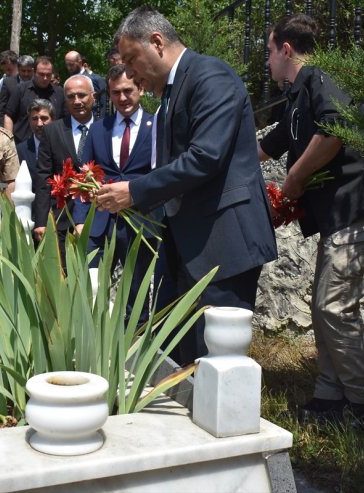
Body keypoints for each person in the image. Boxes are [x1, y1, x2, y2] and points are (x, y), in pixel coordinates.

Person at [95, 6, 278, 366]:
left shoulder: (211, 77)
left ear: (157, 42)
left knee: (217, 357)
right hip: (188, 245)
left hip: (222, 244)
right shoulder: (172, 92)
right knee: (184, 356)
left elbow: (205, 157)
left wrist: (134, 191)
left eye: (132, 60)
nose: (129, 72)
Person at [259, 14, 364, 430]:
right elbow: (263, 150)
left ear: (287, 50)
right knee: (325, 308)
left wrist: (292, 182)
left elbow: (335, 129)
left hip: (361, 209)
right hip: (340, 217)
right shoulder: (295, 100)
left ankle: (363, 407)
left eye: (269, 52)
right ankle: (328, 397)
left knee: (334, 307)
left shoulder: (322, 79)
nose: (267, 62)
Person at [73, 64, 155, 324]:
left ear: (141, 89)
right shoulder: (99, 129)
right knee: (92, 293)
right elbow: (84, 175)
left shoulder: (157, 126)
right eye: (116, 92)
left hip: (140, 222)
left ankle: (134, 354)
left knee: (136, 296)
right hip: (99, 224)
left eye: (128, 91)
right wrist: (79, 220)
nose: (122, 98)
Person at [33, 75, 96, 264]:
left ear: (93, 96)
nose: (77, 101)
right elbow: (43, 176)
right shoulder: (52, 131)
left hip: (98, 216)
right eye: (70, 96)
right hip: (61, 217)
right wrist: (42, 221)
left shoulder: (105, 128)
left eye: (82, 95)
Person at [2, 56, 66, 144]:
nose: (45, 78)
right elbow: (8, 116)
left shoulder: (60, 93)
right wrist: (9, 142)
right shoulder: (20, 90)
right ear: (34, 72)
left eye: (48, 75)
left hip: (53, 145)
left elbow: (65, 120)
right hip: (23, 145)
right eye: (41, 74)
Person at [17, 98, 55, 181]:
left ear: (53, 120)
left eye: (44, 118)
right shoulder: (20, 151)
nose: (39, 124)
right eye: (34, 119)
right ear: (29, 121)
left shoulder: (62, 147)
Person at [65, 50, 108, 120]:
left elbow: (103, 103)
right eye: (67, 65)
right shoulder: (69, 81)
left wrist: (100, 122)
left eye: (71, 64)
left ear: (80, 62)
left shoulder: (96, 79)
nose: (69, 68)